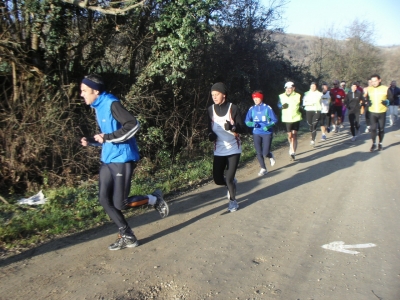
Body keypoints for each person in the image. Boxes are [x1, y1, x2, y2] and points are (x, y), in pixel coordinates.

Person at [80, 74, 169, 251]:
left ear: (95, 91)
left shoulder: (111, 103)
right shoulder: (98, 106)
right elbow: (108, 134)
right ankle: (127, 235)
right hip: (108, 158)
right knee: (104, 199)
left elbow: (133, 125)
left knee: (120, 203)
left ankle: (154, 199)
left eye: (84, 91)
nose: (81, 94)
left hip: (122, 159)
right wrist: (91, 140)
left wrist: (107, 137)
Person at [208, 82, 245, 212]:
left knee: (228, 178)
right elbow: (209, 128)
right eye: (212, 95)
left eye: (216, 94)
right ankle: (232, 184)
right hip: (219, 149)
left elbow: (242, 128)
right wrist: (210, 135)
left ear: (224, 94)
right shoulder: (210, 109)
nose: (214, 97)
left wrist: (232, 127)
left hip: (233, 148)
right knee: (218, 179)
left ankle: (233, 201)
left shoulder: (232, 108)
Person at [245, 90, 278, 176]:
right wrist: (252, 124)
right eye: (254, 98)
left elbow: (275, 120)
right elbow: (247, 121)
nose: (255, 99)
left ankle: (270, 155)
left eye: (257, 98)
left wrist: (268, 126)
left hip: (267, 132)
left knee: (265, 153)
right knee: (258, 152)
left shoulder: (267, 108)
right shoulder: (251, 109)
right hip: (256, 133)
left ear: (261, 98)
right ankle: (263, 168)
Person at [364, 74, 393, 151]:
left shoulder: (385, 88)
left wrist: (387, 101)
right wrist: (367, 102)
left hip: (382, 112)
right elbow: (366, 99)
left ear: (379, 80)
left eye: (375, 81)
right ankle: (373, 143)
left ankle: (380, 143)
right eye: (372, 81)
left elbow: (391, 98)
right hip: (372, 112)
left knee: (381, 129)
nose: (374, 83)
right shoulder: (369, 89)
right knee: (373, 129)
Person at [278, 81, 302, 161]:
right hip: (287, 118)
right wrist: (281, 106)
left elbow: (302, 104)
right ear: (285, 88)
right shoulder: (281, 96)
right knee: (290, 136)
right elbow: (278, 105)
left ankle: (293, 152)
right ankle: (291, 146)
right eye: (287, 88)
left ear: (293, 88)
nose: (288, 89)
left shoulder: (298, 95)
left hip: (296, 117)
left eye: (290, 88)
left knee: (294, 135)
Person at [303, 82, 322, 146]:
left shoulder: (320, 94)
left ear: (316, 87)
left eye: (314, 86)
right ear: (310, 87)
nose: (313, 87)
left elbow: (322, 102)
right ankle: (312, 134)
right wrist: (310, 103)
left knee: (314, 125)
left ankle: (313, 139)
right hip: (308, 110)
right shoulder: (306, 93)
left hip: (317, 110)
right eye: (312, 86)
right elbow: (304, 103)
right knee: (310, 124)